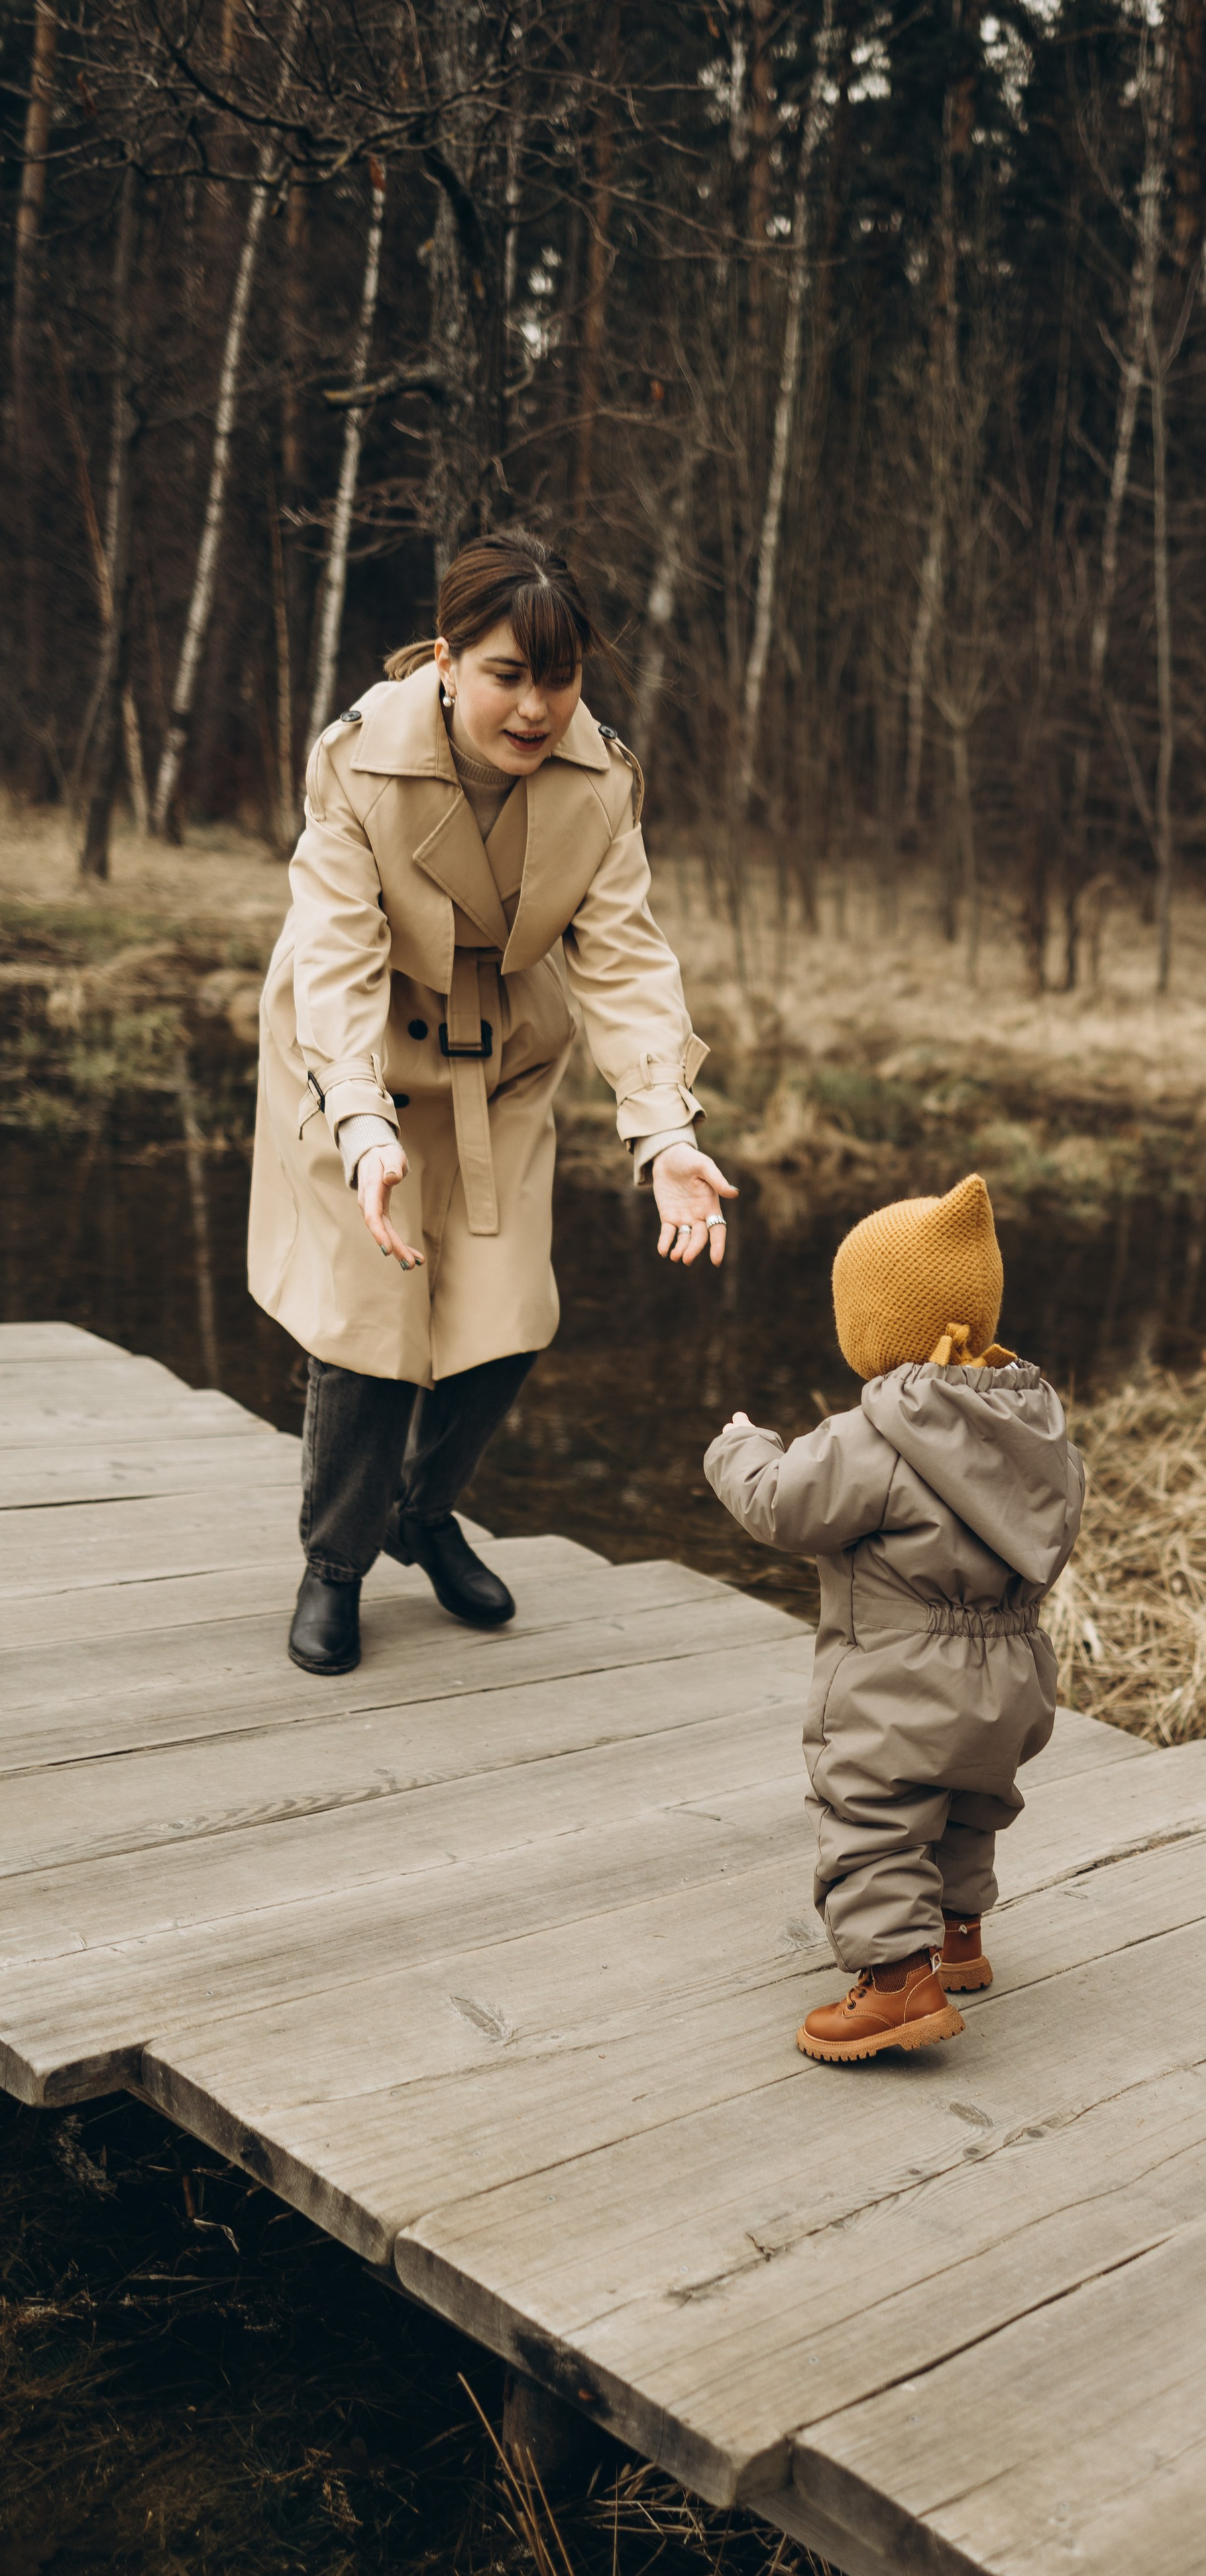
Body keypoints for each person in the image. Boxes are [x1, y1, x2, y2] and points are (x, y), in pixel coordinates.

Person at [249, 531, 734, 1676]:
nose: (536, 709)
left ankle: (423, 1513)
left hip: (499, 1059)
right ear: (450, 658)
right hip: (351, 1056)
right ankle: (338, 1562)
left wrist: (665, 1130)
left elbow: (622, 959)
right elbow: (336, 953)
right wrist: (363, 1128)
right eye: (510, 675)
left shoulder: (602, 781)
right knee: (369, 1335)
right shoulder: (360, 760)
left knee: (508, 1320)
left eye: (559, 679)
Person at [704, 1173, 1085, 2063]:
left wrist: (740, 1445)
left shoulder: (874, 1435)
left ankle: (894, 1987)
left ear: (873, 1325)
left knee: (874, 1815)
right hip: (1016, 1674)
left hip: (899, 1678)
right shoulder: (1038, 1427)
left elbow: (781, 1511)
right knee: (964, 1807)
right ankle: (958, 1944)